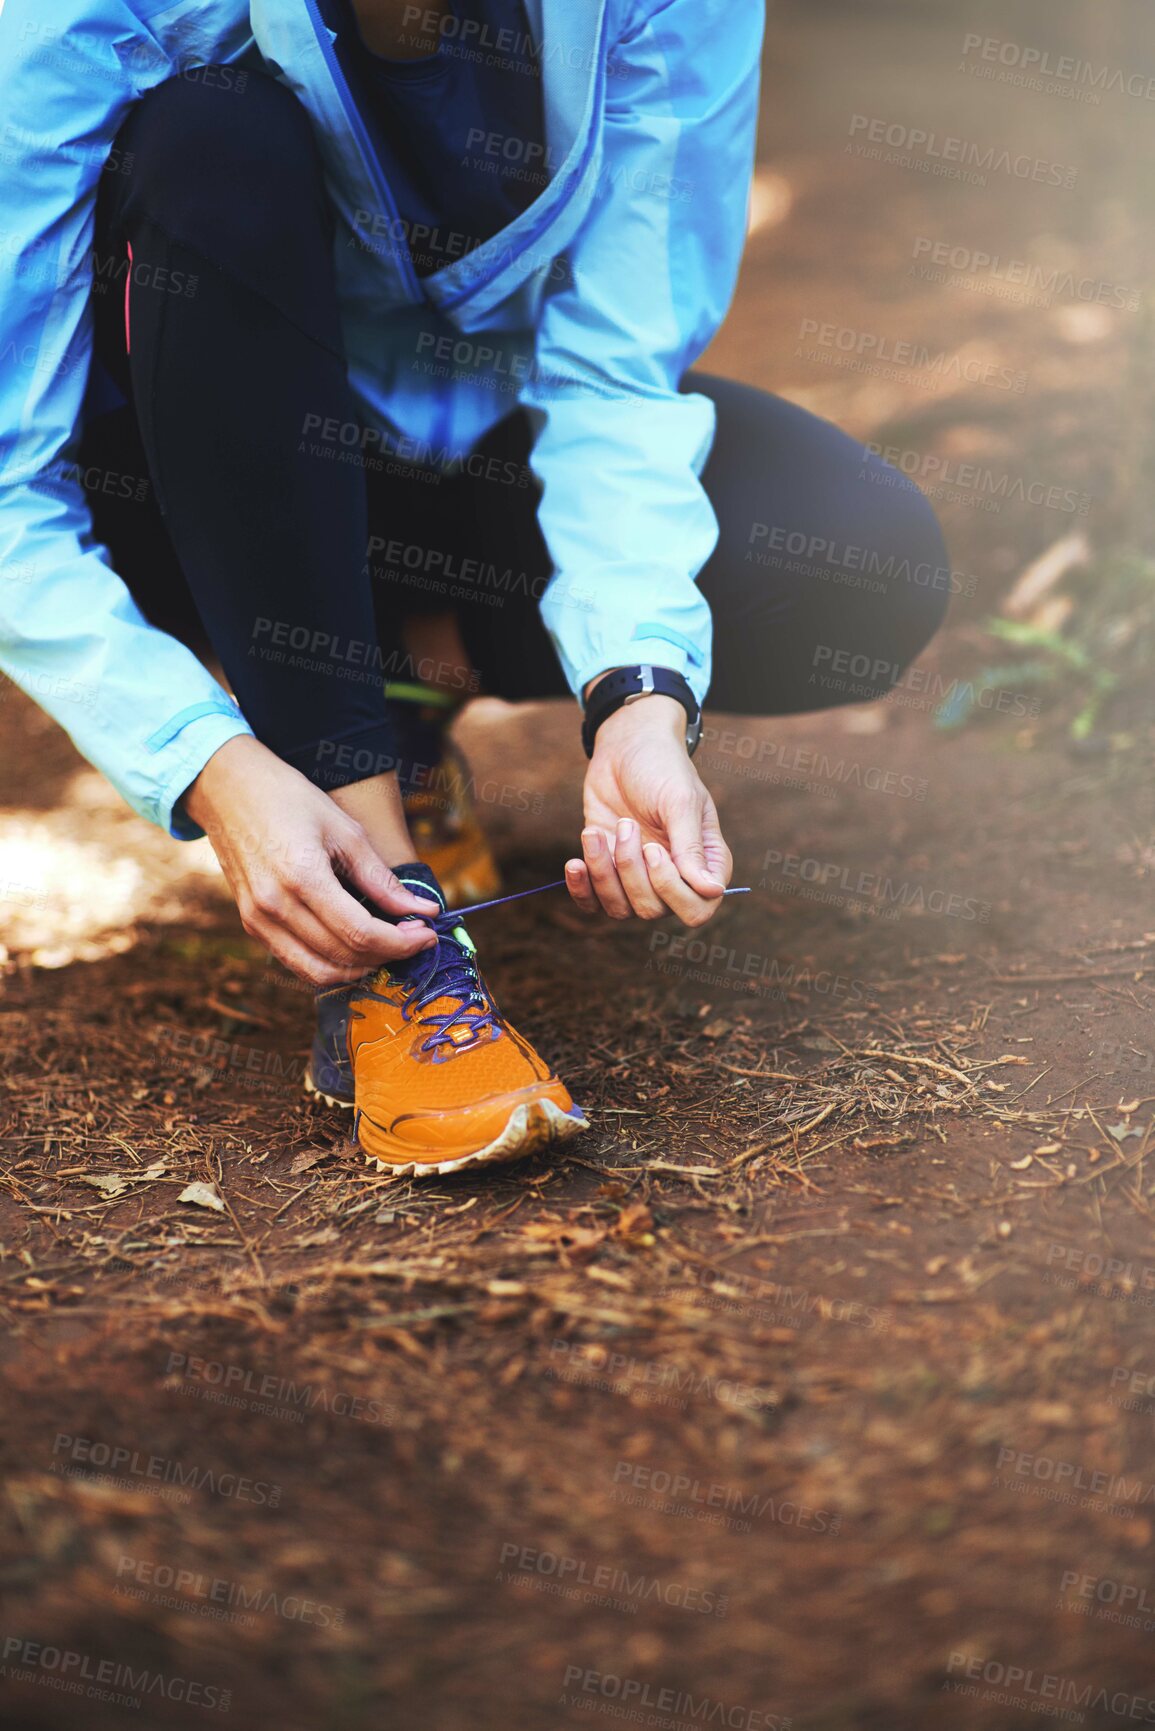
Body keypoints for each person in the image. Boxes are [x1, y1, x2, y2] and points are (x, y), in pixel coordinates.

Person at [0, 0, 950, 1176]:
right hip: (184, 467)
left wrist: (637, 695)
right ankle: (385, 921)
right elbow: (5, 481)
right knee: (211, 138)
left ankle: (399, 689)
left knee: (852, 556)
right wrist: (207, 762)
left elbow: (613, 373)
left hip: (476, 445)